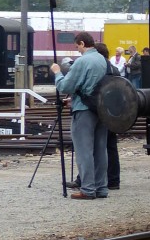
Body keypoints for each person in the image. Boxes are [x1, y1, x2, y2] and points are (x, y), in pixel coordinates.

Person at [51, 31, 109, 199]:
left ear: (82, 44)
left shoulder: (82, 61)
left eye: (77, 47)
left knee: (84, 151)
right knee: (100, 150)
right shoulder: (102, 60)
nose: (77, 50)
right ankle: (101, 188)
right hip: (101, 109)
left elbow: (65, 86)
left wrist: (57, 72)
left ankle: (88, 189)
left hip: (83, 110)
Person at [67, 43, 121, 192]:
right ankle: (109, 182)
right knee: (107, 147)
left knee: (88, 149)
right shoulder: (113, 69)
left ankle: (87, 184)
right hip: (110, 111)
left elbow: (72, 86)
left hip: (92, 109)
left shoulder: (96, 67)